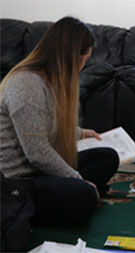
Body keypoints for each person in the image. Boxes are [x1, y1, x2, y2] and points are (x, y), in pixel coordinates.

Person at [0, 17, 119, 224]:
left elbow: (45, 125)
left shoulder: (48, 79)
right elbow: (37, 153)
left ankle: (70, 194)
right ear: (71, 57)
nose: (83, 67)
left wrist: (80, 133)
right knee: (84, 196)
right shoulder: (26, 84)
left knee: (108, 157)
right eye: (84, 60)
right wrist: (76, 179)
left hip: (38, 169)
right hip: (18, 180)